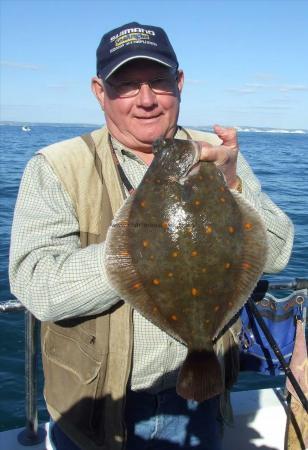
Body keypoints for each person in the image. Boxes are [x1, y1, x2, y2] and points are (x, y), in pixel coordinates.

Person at [9, 22, 294, 450]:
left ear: (179, 83)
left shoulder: (217, 155)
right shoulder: (56, 166)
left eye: (158, 82)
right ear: (98, 91)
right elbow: (37, 286)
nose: (146, 100)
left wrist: (234, 184)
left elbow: (275, 253)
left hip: (203, 407)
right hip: (97, 410)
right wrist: (140, 252)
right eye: (125, 85)